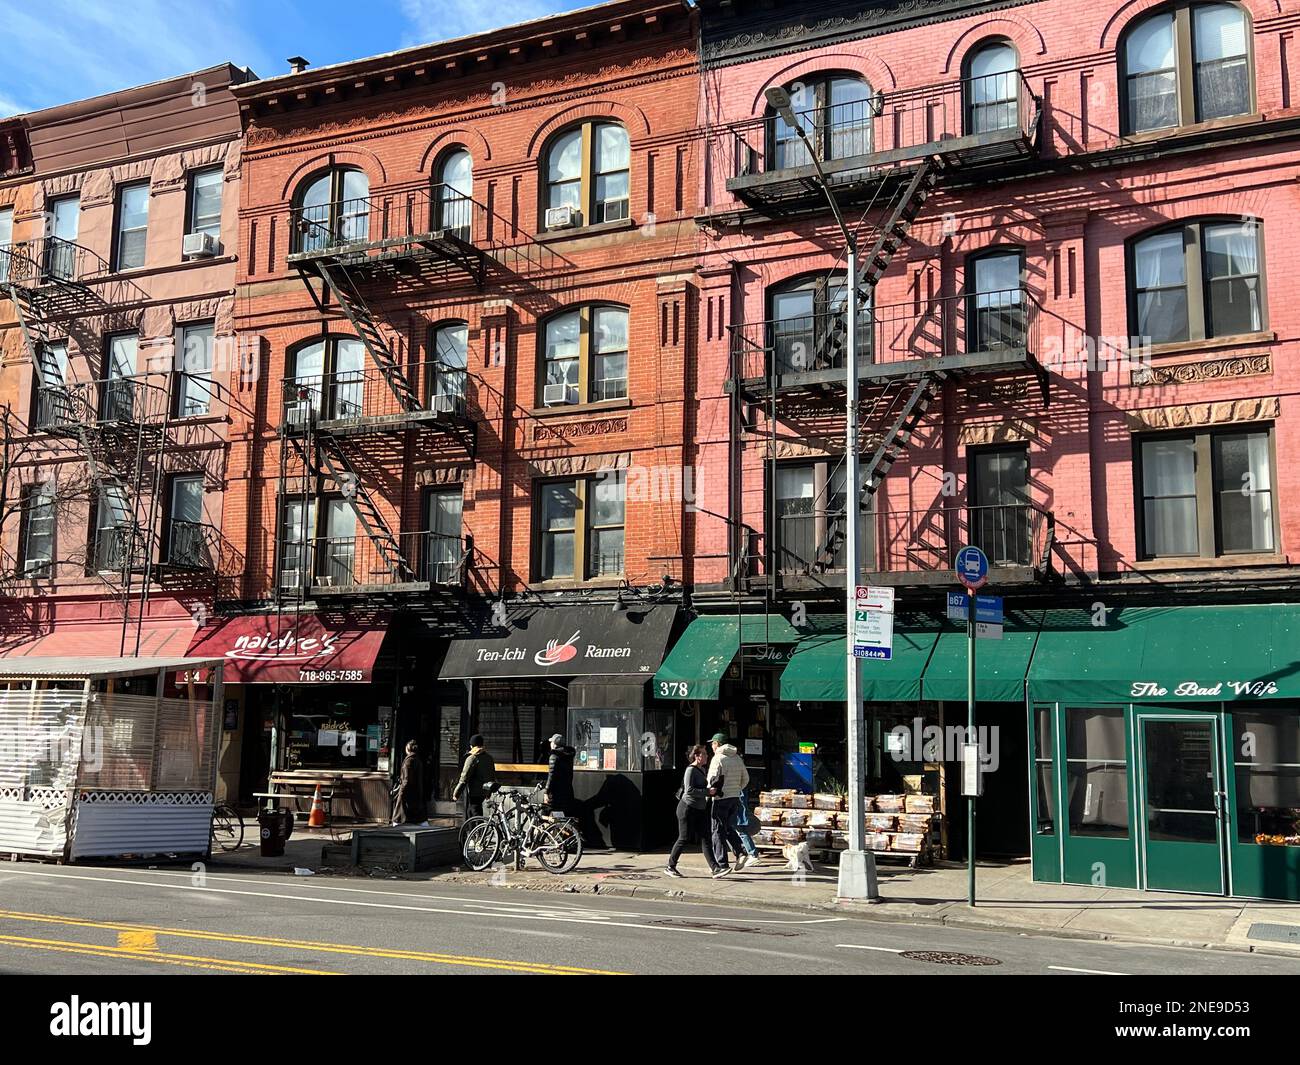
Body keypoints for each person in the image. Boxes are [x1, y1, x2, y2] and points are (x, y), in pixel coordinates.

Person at [707, 732, 759, 876]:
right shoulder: (736, 758)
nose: (711, 745)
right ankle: (740, 852)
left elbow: (711, 779)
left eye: (713, 743)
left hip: (720, 799)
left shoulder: (717, 758)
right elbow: (746, 778)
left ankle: (722, 864)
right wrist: (737, 789)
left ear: (718, 744)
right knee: (729, 827)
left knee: (717, 830)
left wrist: (710, 793)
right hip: (734, 798)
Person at [665, 744, 720, 878]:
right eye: (704, 754)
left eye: (707, 754)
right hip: (687, 808)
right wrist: (707, 791)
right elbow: (689, 790)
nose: (707, 756)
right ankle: (670, 866)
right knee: (684, 838)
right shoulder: (690, 770)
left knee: (706, 838)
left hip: (699, 808)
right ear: (697, 756)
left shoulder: (702, 769)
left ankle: (715, 868)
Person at [452, 734, 498, 819]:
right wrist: (489, 792)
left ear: (471, 745)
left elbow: (464, 778)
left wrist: (456, 793)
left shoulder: (472, 758)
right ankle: (476, 830)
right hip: (485, 790)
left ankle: (478, 831)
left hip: (475, 791)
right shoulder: (489, 758)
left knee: (474, 813)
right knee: (474, 810)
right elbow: (492, 775)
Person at [391, 739, 428, 826]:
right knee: (418, 818)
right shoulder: (418, 760)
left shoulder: (408, 761)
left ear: (408, 748)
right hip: (416, 793)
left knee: (398, 818)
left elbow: (406, 780)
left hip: (407, 794)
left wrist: (401, 792)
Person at [544, 733, 575, 812]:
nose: (550, 744)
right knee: (562, 815)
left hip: (555, 793)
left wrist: (546, 791)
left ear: (554, 744)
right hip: (567, 790)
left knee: (548, 813)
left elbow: (551, 775)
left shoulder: (554, 756)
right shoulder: (568, 755)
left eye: (551, 742)